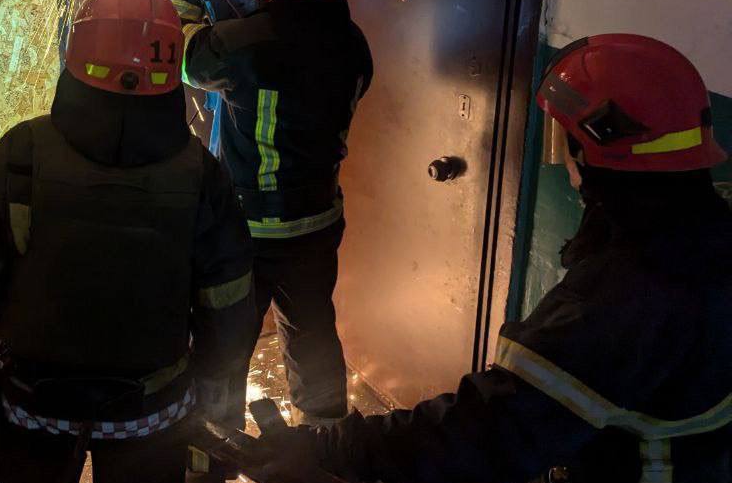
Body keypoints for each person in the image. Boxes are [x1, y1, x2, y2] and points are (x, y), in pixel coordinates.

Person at [245, 33, 732, 483]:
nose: (561, 158)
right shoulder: (705, 227)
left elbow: (486, 431)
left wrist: (331, 449)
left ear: (597, 145)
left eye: (565, 140)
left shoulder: (627, 295)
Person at [0, 0, 257, 483]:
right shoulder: (202, 174)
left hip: (31, 406)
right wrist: (203, 379)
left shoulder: (20, 153)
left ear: (77, 52)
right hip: (153, 414)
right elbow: (229, 313)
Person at [166, 0, 373, 425]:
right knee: (311, 331)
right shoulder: (353, 43)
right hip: (318, 222)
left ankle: (215, 441)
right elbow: (291, 39)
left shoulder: (241, 47)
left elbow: (185, 53)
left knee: (226, 339)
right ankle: (325, 441)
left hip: (248, 230)